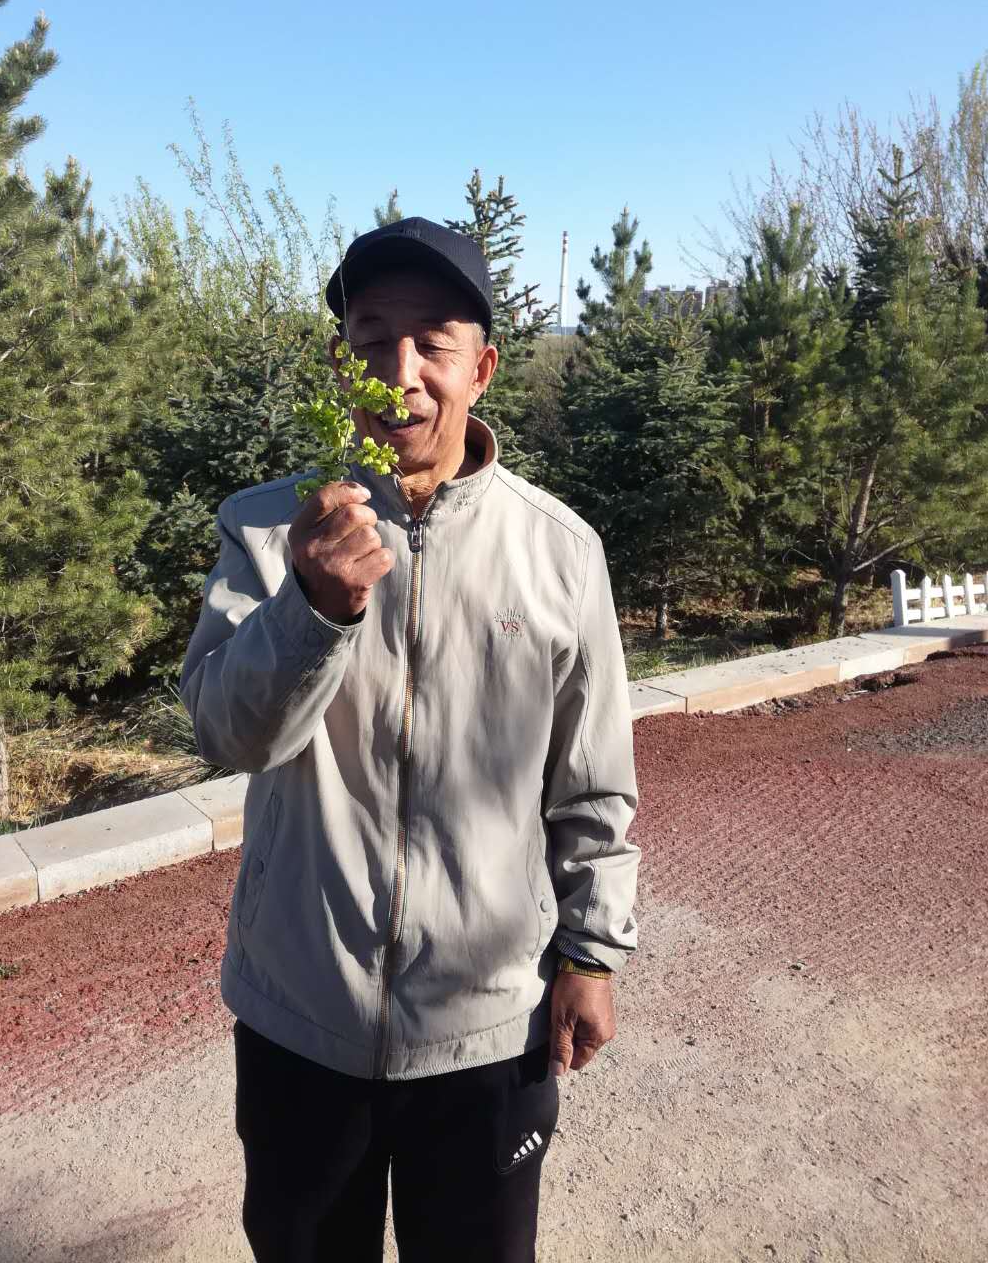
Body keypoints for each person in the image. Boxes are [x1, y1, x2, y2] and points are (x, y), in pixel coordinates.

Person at [179, 216, 640, 1262]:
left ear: (481, 367)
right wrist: (312, 608)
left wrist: (591, 952)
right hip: (302, 1019)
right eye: (373, 338)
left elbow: (592, 785)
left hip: (488, 1028)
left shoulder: (560, 552)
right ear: (339, 362)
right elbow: (226, 734)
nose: (402, 372)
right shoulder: (270, 531)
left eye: (433, 341)